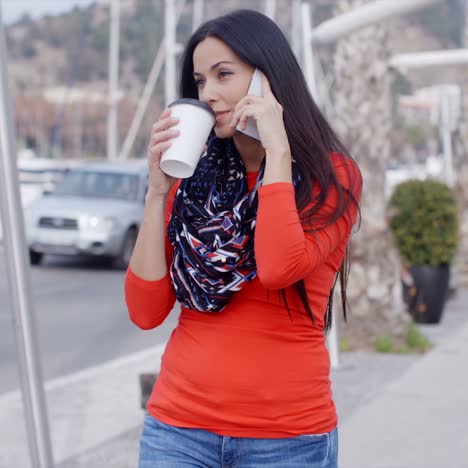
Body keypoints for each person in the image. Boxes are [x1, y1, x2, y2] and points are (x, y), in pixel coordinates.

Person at [125, 9, 362, 468]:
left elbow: (278, 267)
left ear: (269, 80)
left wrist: (277, 149)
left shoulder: (332, 176)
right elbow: (145, 311)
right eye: (199, 81)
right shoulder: (189, 182)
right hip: (178, 429)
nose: (208, 94)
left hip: (286, 439)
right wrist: (157, 193)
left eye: (224, 75)